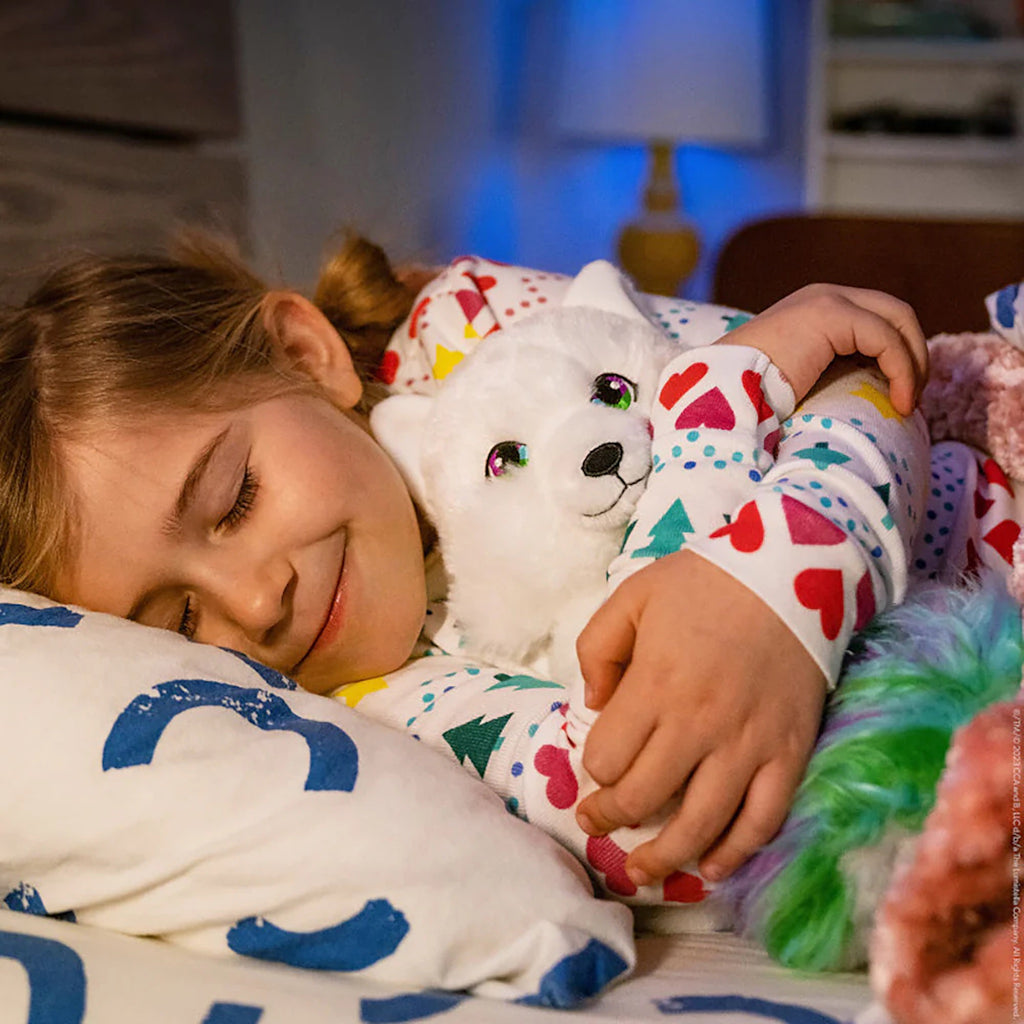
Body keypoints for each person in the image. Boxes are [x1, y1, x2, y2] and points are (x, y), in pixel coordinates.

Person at [0, 233, 1011, 894]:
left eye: (237, 499)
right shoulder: (372, 716)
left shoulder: (470, 328)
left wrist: (775, 587)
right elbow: (633, 811)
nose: (254, 604)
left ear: (305, 355)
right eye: (177, 621)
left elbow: (845, 359)